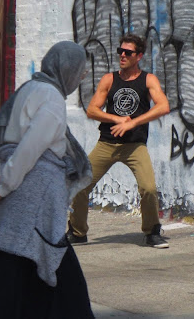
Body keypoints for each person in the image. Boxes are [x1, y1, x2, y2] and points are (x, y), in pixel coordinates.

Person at [0, 41, 94, 319]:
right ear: (66, 70)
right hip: (34, 204)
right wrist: (3, 185)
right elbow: (30, 149)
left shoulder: (26, 90)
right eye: (80, 72)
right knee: (22, 273)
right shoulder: (52, 98)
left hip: (19, 199)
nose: (79, 79)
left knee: (26, 271)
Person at [67, 34, 170, 248]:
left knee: (148, 188)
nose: (122, 55)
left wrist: (132, 123)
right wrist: (116, 119)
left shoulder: (148, 80)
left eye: (128, 52)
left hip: (134, 146)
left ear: (138, 56)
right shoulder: (109, 79)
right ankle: (77, 232)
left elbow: (163, 106)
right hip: (107, 144)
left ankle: (152, 232)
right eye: (120, 51)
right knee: (80, 185)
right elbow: (92, 110)